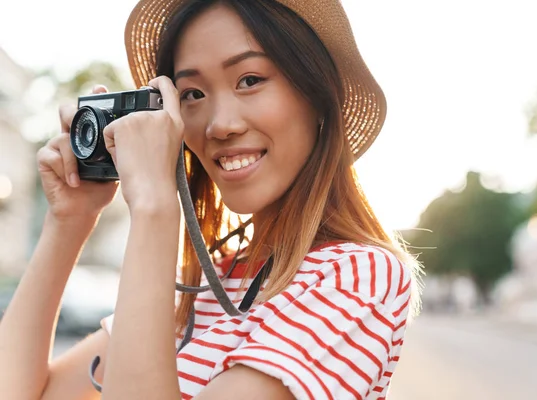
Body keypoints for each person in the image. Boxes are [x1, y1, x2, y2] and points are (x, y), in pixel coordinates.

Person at [0, 0, 421, 399]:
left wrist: (153, 206)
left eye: (250, 80)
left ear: (317, 96)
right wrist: (69, 220)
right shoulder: (199, 287)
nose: (219, 125)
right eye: (193, 94)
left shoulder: (358, 276)